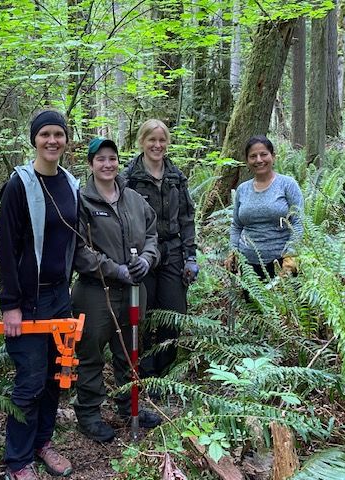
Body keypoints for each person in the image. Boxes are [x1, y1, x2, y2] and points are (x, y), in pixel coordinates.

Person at [0, 109, 79, 480]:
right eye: (45, 134)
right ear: (34, 139)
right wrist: (10, 305)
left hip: (60, 295)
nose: (52, 141)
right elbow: (6, 248)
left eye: (58, 135)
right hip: (27, 302)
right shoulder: (19, 184)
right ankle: (17, 459)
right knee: (29, 380)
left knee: (53, 377)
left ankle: (43, 443)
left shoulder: (72, 183)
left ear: (66, 140)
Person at [72, 137, 162, 443]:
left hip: (135, 290)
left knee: (130, 352)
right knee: (91, 353)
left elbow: (152, 235)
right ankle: (89, 415)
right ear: (91, 164)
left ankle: (129, 405)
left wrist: (148, 260)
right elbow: (79, 251)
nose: (108, 164)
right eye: (101, 159)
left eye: (112, 158)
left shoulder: (134, 199)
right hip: (96, 292)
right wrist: (114, 269)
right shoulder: (81, 201)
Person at [122, 119, 199, 379]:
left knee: (174, 313)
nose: (157, 145)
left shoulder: (176, 177)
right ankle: (143, 371)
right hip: (141, 254)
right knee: (144, 312)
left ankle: (165, 372)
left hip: (173, 251)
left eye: (162, 140)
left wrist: (190, 257)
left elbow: (187, 218)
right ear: (142, 141)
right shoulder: (129, 177)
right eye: (151, 139)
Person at [225, 135, 304, 279]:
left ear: (273, 156)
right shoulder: (242, 189)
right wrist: (233, 252)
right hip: (248, 265)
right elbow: (236, 226)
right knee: (250, 302)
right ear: (247, 161)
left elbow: (298, 223)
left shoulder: (287, 184)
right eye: (253, 156)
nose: (259, 160)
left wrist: (291, 256)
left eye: (264, 154)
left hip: (282, 263)